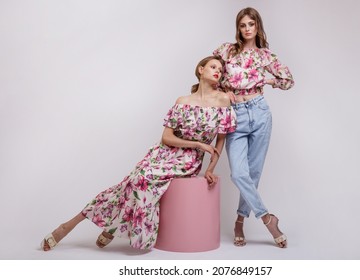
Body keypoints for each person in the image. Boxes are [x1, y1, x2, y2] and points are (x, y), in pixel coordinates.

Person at [41, 55, 236, 251]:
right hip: (162, 153)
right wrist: (198, 144)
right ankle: (74, 226)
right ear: (200, 70)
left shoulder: (223, 100)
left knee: (142, 179)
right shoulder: (183, 101)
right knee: (128, 183)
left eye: (220, 69)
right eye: (213, 66)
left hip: (187, 160)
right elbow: (166, 138)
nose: (217, 71)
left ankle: (87, 226)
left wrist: (210, 168)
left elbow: (220, 141)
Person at [213, 7, 294, 248]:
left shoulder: (265, 56)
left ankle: (239, 220)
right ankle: (267, 218)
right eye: (243, 25)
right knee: (239, 173)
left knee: (253, 173)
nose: (247, 29)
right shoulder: (226, 51)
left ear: (257, 26)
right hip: (235, 115)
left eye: (251, 24)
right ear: (238, 28)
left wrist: (267, 79)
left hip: (259, 111)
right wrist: (226, 92)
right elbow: (210, 74)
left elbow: (288, 80)